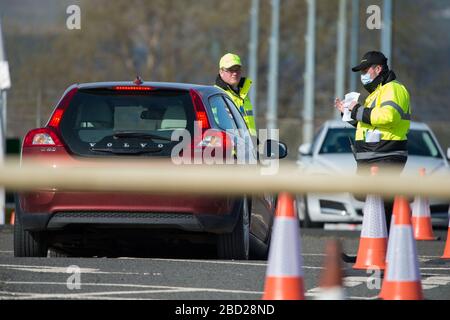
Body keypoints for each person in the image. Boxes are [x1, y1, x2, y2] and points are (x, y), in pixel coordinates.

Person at [334, 51, 411, 230]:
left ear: (378, 68)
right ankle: (375, 249)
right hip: (375, 156)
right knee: (374, 203)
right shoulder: (377, 93)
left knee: (382, 205)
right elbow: (369, 125)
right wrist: (347, 112)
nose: (363, 76)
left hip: (386, 155)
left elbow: (388, 117)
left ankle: (381, 251)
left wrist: (357, 109)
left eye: (365, 70)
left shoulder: (393, 88)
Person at [215, 53, 257, 136]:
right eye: (230, 69)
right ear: (221, 72)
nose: (234, 73)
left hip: (249, 147)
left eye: (237, 69)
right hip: (228, 148)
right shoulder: (216, 95)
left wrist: (255, 144)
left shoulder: (243, 95)